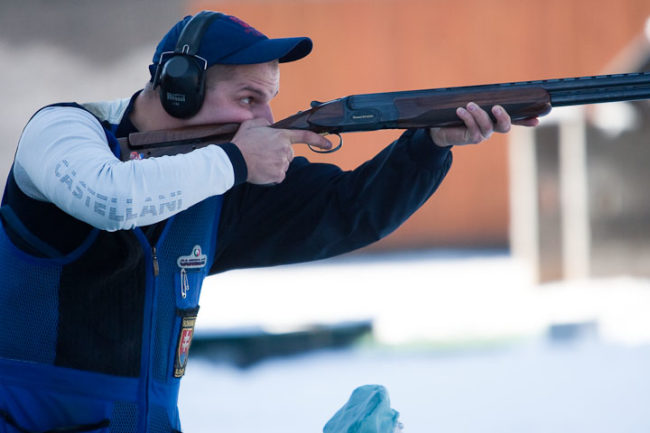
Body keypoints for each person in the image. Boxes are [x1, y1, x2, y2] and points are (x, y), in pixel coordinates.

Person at [0, 10, 538, 433]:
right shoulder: (63, 131)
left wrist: (429, 145)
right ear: (180, 89)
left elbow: (349, 209)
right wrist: (236, 161)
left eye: (269, 100)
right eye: (249, 99)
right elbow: (110, 199)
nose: (266, 120)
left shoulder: (220, 179)